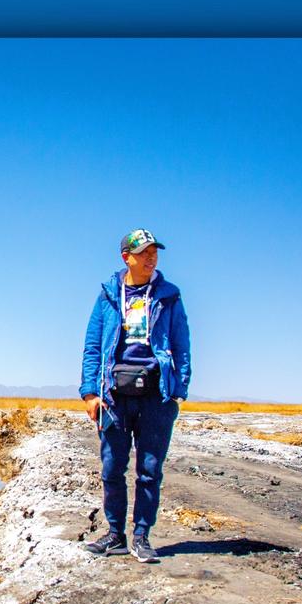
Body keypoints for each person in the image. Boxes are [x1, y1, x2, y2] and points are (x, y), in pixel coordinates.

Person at [79, 228, 191, 563]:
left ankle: (142, 536)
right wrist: (88, 393)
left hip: (156, 395)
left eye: (154, 251)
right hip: (114, 396)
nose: (151, 257)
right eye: (143, 252)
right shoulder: (109, 295)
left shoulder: (169, 296)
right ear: (126, 257)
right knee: (112, 468)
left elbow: (182, 344)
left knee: (149, 470)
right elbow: (93, 346)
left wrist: (178, 391)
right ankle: (115, 535)